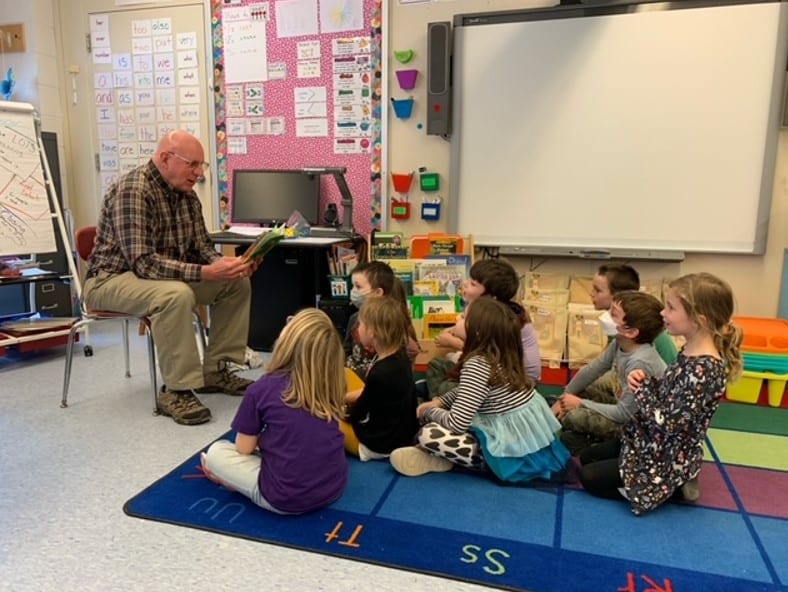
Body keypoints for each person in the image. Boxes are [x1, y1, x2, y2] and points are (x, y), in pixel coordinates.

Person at [83, 130, 255, 425]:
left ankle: (215, 371)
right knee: (175, 294)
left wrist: (228, 266)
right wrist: (204, 272)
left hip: (161, 278)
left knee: (235, 284)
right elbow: (143, 263)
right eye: (193, 164)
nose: (199, 173)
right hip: (110, 279)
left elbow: (201, 248)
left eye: (202, 165)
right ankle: (177, 390)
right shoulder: (133, 190)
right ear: (165, 159)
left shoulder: (187, 196)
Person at [578, 273, 743, 515]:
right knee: (587, 457)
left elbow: (668, 424)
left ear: (699, 320)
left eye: (671, 308)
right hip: (650, 440)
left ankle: (674, 484)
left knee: (589, 477)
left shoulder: (704, 369)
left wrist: (642, 390)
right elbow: (672, 393)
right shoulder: (690, 351)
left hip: (666, 453)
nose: (663, 313)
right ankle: (674, 476)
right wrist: (650, 383)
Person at [390, 297, 569, 483]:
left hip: (511, 453)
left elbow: (457, 423)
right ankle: (434, 456)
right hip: (524, 439)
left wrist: (428, 412)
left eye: (463, 317)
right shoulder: (498, 354)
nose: (457, 318)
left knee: (429, 433)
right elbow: (468, 391)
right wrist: (440, 401)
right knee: (442, 416)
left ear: (475, 331)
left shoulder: (477, 364)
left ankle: (470, 460)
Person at [201, 308, 348, 514]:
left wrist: (264, 440)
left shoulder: (261, 389)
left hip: (284, 498)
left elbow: (244, 448)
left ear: (284, 344)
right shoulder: (333, 383)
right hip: (333, 487)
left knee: (218, 451)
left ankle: (233, 482)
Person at [553, 290, 667, 455]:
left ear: (631, 332)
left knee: (574, 416)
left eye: (613, 314)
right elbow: (593, 369)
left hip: (639, 426)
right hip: (624, 406)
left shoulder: (640, 363)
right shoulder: (621, 342)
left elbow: (624, 414)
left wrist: (579, 403)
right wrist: (565, 396)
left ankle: (599, 444)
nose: (606, 316)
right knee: (579, 391)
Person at [426, 258, 540, 398]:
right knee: (438, 365)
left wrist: (452, 342)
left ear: (491, 297)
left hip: (513, 384)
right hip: (495, 373)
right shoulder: (494, 311)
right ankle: (438, 400)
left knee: (447, 386)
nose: (465, 284)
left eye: (473, 284)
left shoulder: (501, 321)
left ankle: (439, 402)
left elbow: (489, 356)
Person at [340, 296, 420, 460]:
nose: (358, 329)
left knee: (325, 419)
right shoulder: (400, 357)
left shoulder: (380, 372)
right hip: (403, 435)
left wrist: (339, 410)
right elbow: (374, 393)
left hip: (378, 445)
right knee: (346, 373)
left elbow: (358, 414)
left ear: (372, 331)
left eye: (360, 324)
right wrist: (345, 398)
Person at [344, 260, 419, 379]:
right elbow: (346, 350)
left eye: (358, 287)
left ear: (378, 292)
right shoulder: (354, 318)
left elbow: (409, 353)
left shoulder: (393, 325)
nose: (354, 292)